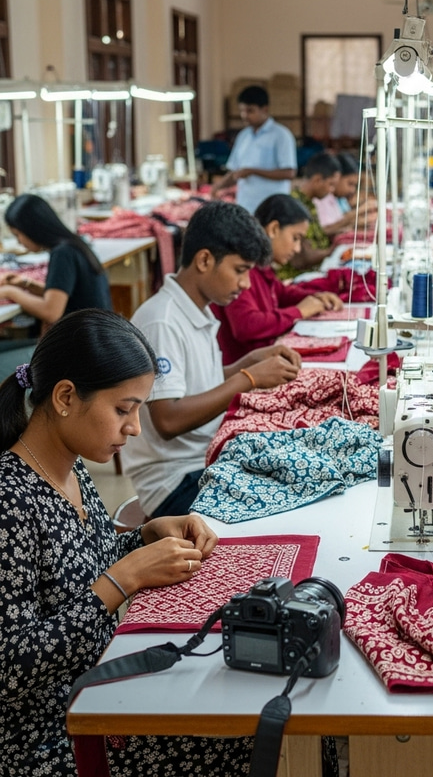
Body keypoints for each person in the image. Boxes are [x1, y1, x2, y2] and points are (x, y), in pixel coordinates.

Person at [0, 308, 254, 775]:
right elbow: (11, 667)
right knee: (245, 741)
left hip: (91, 696)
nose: (135, 428)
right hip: (47, 741)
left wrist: (144, 536)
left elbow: (81, 564)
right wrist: (126, 576)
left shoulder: (70, 466)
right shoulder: (9, 501)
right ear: (65, 397)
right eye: (123, 409)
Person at [123, 201, 302, 519]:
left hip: (203, 461)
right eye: (239, 270)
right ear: (205, 259)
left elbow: (195, 382)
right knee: (288, 499)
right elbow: (168, 419)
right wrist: (247, 380)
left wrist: (247, 363)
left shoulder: (197, 309)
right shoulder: (162, 321)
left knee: (300, 465)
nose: (246, 284)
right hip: (175, 482)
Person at [215, 194, 343, 364]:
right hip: (242, 371)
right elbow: (246, 325)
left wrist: (313, 297)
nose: (297, 249)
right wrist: (299, 311)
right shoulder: (244, 269)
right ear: (274, 229)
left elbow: (280, 292)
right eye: (295, 238)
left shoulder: (261, 267)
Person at [0, 193, 111, 325]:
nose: (18, 242)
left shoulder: (63, 253)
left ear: (32, 229)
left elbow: (51, 312)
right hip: (95, 336)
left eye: (17, 235)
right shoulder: (73, 244)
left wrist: (10, 292)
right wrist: (25, 284)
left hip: (82, 341)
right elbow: (61, 295)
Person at [211, 84, 298, 213]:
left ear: (265, 109)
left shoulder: (281, 135)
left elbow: (289, 173)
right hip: (247, 206)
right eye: (242, 111)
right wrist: (218, 187)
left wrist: (253, 171)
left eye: (250, 111)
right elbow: (235, 172)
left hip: (273, 207)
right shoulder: (243, 136)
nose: (245, 115)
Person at [275, 151, 342, 280]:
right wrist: (333, 251)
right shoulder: (295, 206)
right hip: (296, 277)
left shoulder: (309, 203)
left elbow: (317, 237)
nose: (332, 190)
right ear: (317, 179)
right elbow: (302, 259)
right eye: (331, 184)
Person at [314, 152, 377, 236]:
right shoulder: (322, 198)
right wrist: (359, 211)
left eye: (355, 185)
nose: (352, 190)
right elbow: (326, 229)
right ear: (337, 177)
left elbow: (344, 223)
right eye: (350, 184)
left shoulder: (339, 199)